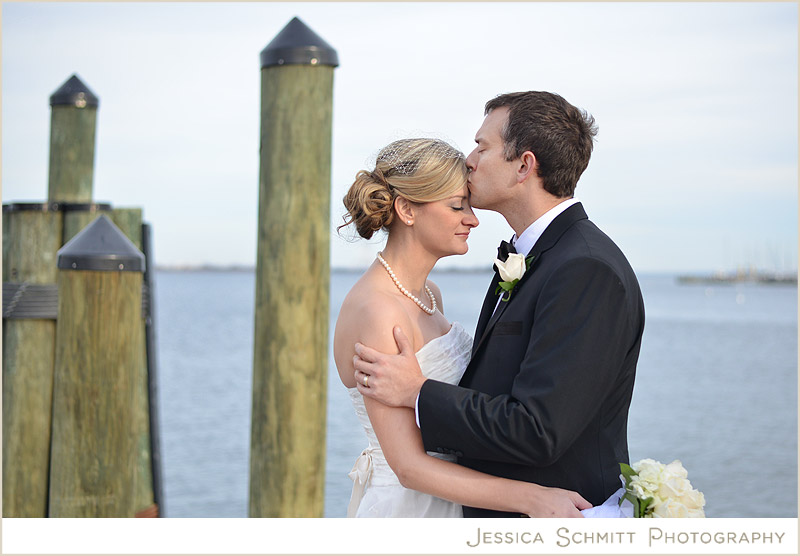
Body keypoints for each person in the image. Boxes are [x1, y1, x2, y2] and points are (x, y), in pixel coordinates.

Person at [353, 92, 646, 518]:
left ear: (524, 165)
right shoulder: (536, 257)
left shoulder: (584, 268)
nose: (470, 159)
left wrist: (417, 391)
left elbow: (538, 428)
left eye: (482, 146)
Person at [333, 137, 590, 518]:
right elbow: (408, 467)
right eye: (457, 206)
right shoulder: (378, 312)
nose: (472, 218)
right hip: (413, 513)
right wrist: (534, 498)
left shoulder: (429, 294)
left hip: (460, 501)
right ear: (406, 209)